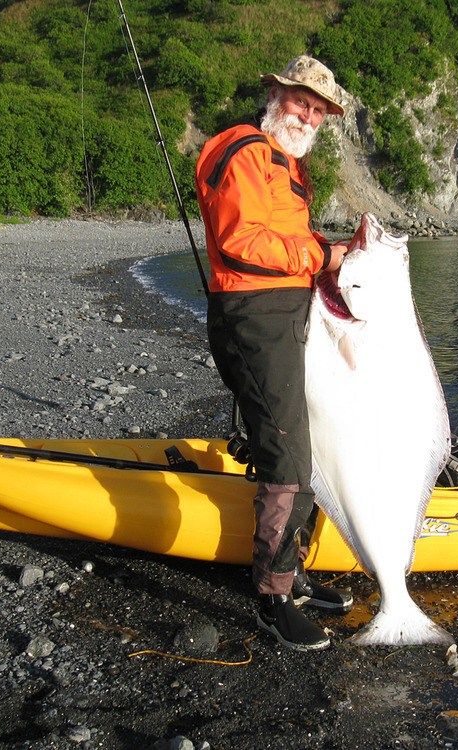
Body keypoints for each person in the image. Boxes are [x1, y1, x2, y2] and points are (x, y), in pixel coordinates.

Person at [195, 55, 353, 651]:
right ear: (276, 95)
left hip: (287, 318)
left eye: (318, 109)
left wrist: (325, 249)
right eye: (300, 101)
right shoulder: (243, 150)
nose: (308, 115)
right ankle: (272, 598)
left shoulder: (287, 164)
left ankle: (298, 576)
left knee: (303, 444)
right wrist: (319, 258)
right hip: (252, 320)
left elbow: (284, 238)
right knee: (286, 457)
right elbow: (241, 241)